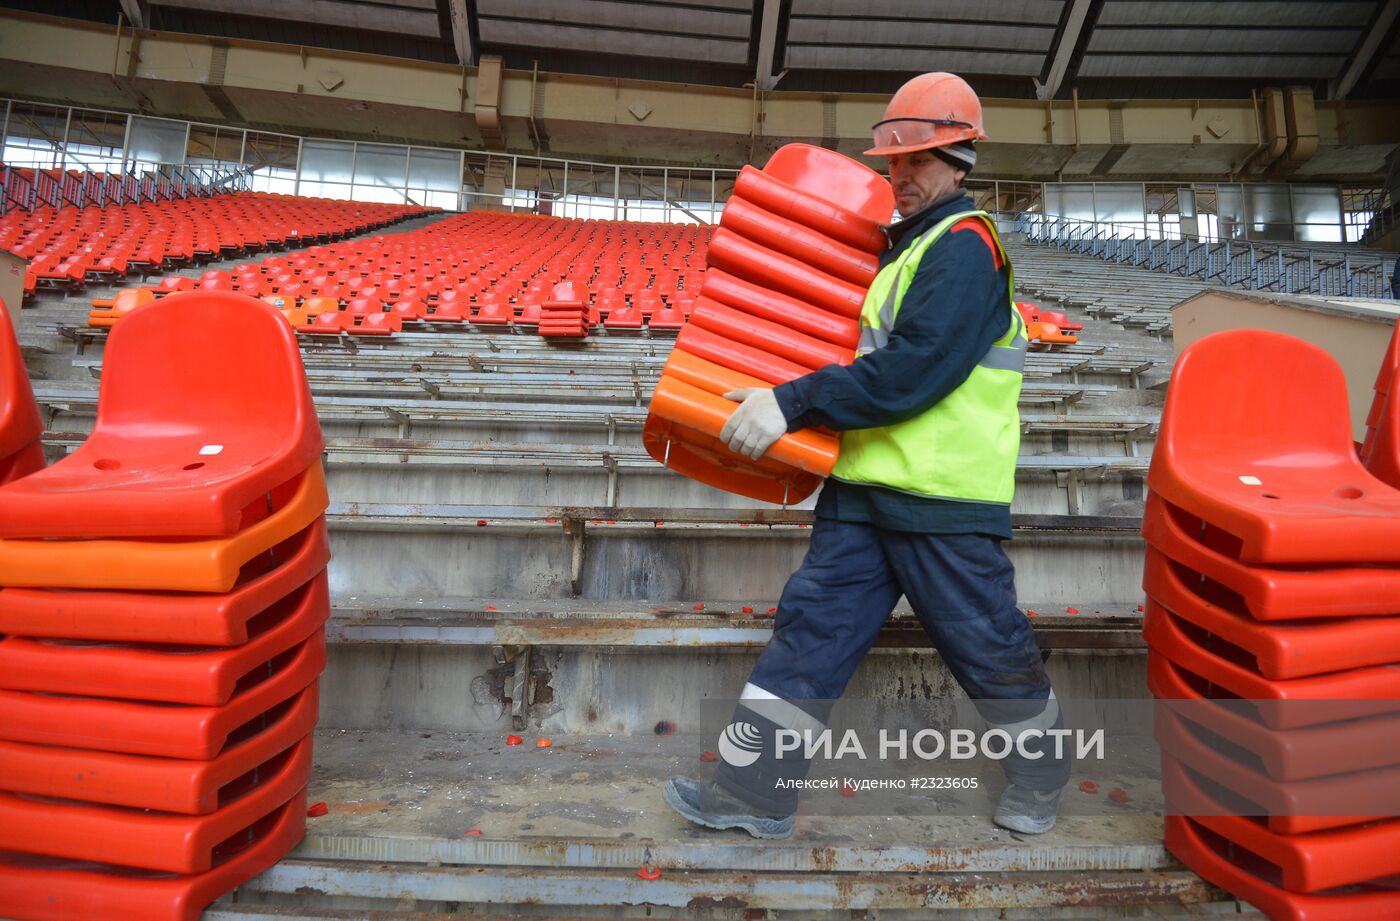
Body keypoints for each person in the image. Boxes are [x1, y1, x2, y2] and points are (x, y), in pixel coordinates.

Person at [663, 72, 1071, 839]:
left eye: (917, 160)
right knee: (809, 631)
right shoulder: (904, 254)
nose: (900, 176)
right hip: (862, 490)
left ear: (959, 163)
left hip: (941, 501)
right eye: (894, 161)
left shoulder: (963, 251)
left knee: (988, 648)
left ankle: (1043, 769)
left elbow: (910, 374)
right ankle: (755, 792)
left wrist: (789, 401)